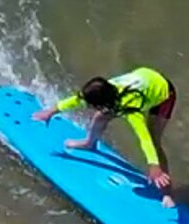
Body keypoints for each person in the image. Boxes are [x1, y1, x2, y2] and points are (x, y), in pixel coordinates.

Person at [37, 68, 177, 194]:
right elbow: (77, 100)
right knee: (100, 117)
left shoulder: (131, 109)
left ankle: (166, 192)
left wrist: (153, 165)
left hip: (163, 93)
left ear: (102, 103)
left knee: (154, 141)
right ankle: (89, 143)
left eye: (92, 105)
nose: (89, 107)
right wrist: (51, 111)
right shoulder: (104, 90)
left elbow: (144, 138)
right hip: (145, 79)